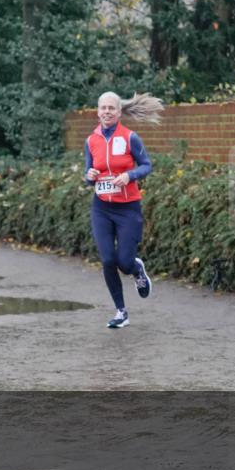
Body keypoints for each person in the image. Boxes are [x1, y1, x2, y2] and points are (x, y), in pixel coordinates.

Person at [84, 91, 161, 329]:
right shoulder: (91, 140)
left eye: (111, 108)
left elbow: (147, 165)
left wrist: (129, 175)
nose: (107, 112)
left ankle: (137, 269)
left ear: (119, 112)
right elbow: (88, 175)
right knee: (108, 259)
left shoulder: (130, 138)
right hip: (101, 209)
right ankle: (121, 312)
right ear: (98, 112)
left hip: (127, 209)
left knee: (124, 263)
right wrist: (90, 175)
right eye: (103, 108)